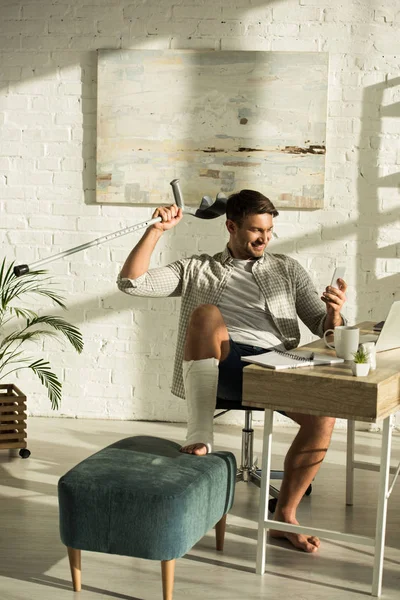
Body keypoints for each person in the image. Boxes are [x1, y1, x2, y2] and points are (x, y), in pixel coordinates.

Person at [117, 189, 347, 554]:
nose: (264, 239)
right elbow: (132, 283)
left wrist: (334, 313)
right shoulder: (197, 268)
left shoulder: (286, 268)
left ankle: (284, 517)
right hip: (223, 364)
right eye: (256, 230)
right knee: (206, 314)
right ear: (231, 226)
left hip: (276, 362)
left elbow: (323, 327)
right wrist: (156, 231)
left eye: (269, 231)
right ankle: (200, 432)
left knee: (325, 415)